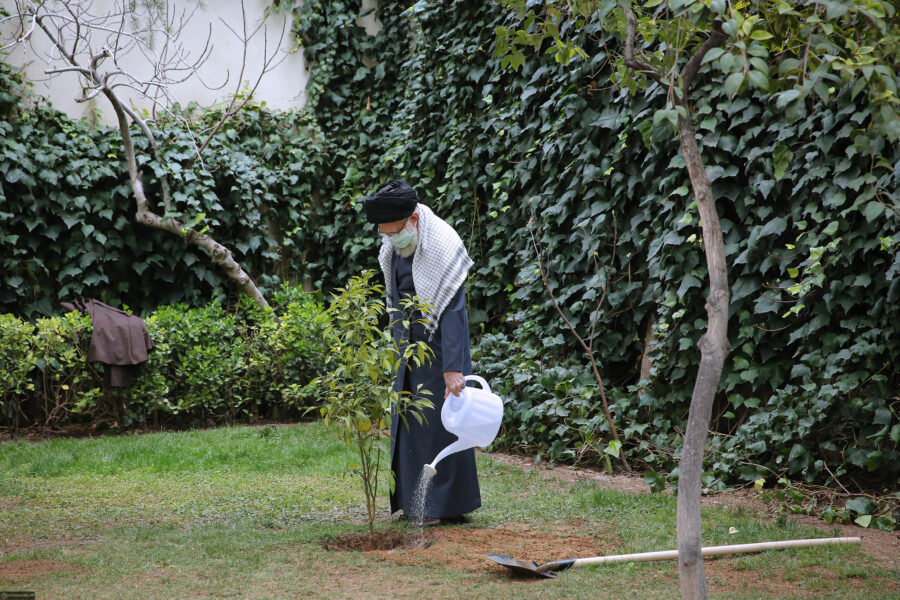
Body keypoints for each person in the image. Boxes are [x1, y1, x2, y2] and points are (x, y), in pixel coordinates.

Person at [362, 180, 481, 526]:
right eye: (385, 233)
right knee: (409, 422)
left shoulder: (442, 242)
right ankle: (412, 503)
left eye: (394, 232)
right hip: (408, 347)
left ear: (413, 219)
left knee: (438, 425)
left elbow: (454, 311)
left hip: (441, 348)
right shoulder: (394, 243)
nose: (390, 239)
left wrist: (453, 368)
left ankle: (440, 506)